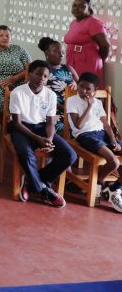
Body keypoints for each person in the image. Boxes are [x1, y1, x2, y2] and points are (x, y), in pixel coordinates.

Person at [9, 60, 76, 208]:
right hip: (21, 128)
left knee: (70, 155)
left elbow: (50, 122)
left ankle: (32, 183)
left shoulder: (50, 95)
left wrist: (49, 139)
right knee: (26, 154)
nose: (41, 78)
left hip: (42, 128)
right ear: (30, 74)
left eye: (45, 76)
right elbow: (17, 123)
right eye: (38, 74)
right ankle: (43, 189)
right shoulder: (17, 92)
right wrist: (38, 139)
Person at [66, 72, 122, 210]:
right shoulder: (72, 101)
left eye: (88, 89)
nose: (83, 91)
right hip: (85, 135)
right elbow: (78, 125)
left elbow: (106, 125)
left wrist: (113, 141)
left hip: (102, 134)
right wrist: (89, 106)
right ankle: (97, 183)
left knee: (117, 154)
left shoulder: (98, 102)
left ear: (95, 90)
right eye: (81, 86)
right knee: (114, 162)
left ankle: (115, 188)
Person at [65, 0, 110, 87]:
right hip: (72, 60)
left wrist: (100, 59)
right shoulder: (73, 23)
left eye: (81, 6)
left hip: (88, 61)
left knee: (86, 88)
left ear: (89, 8)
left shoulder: (93, 22)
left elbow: (105, 45)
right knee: (73, 87)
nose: (76, 8)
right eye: (74, 5)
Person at [38, 36, 78, 134]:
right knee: (60, 125)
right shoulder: (41, 69)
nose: (61, 55)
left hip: (72, 109)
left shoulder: (68, 68)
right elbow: (37, 93)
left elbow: (82, 86)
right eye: (57, 52)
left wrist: (77, 85)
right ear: (47, 53)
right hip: (50, 109)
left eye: (63, 52)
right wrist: (64, 109)